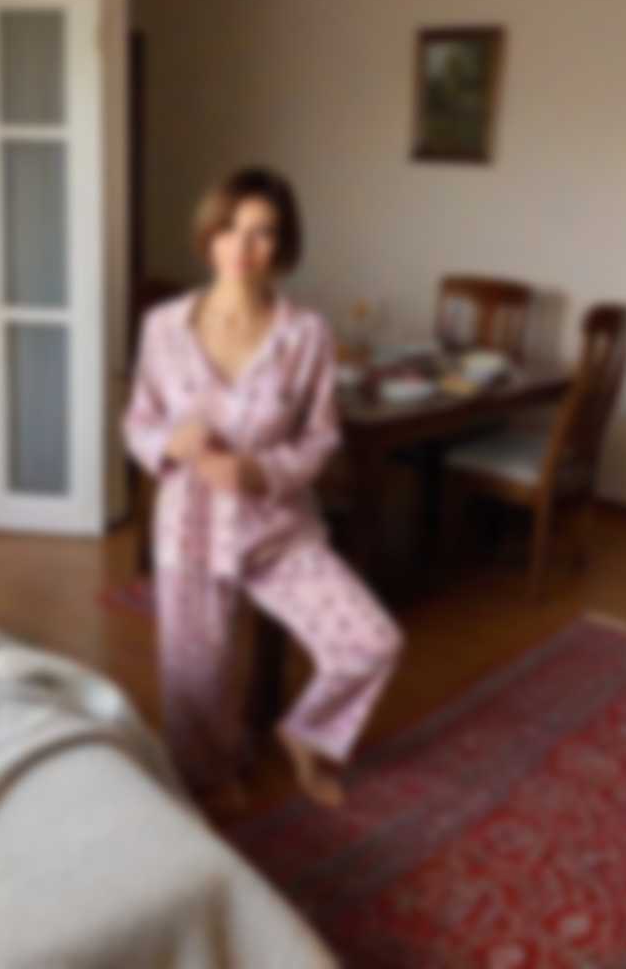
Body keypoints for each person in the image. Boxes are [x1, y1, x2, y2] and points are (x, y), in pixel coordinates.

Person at [123, 167, 403, 810]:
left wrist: (260, 472)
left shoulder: (306, 336)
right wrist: (172, 442)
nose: (242, 248)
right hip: (192, 530)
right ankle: (211, 775)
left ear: (284, 244)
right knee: (196, 677)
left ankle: (307, 734)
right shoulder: (163, 327)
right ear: (208, 235)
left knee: (371, 641)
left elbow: (322, 437)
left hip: (277, 529)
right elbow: (137, 422)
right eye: (229, 229)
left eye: (263, 233)